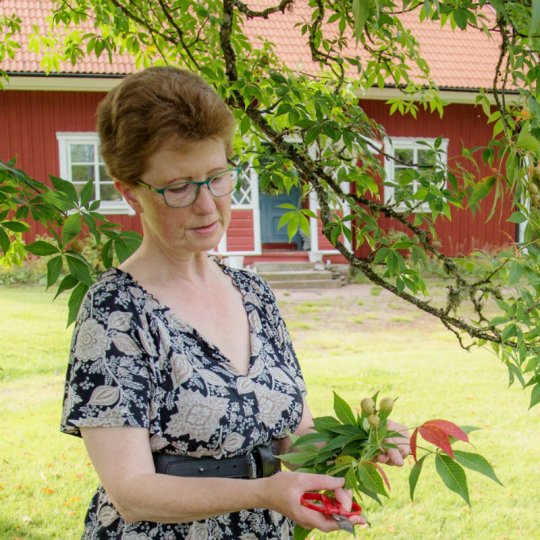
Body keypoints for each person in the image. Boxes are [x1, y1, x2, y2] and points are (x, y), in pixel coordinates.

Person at [61, 66, 409, 539]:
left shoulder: (253, 293)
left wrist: (362, 442)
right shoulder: (115, 313)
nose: (207, 205)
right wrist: (264, 492)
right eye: (179, 187)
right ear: (130, 194)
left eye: (217, 177)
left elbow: (295, 437)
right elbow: (131, 491)